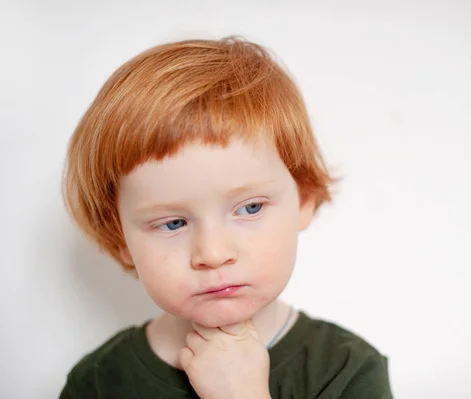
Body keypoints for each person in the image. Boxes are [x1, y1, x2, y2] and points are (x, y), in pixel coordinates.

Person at [59, 36, 392, 398]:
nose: (213, 254)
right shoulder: (96, 383)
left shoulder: (347, 372)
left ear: (303, 200)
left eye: (249, 208)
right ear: (120, 239)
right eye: (173, 223)